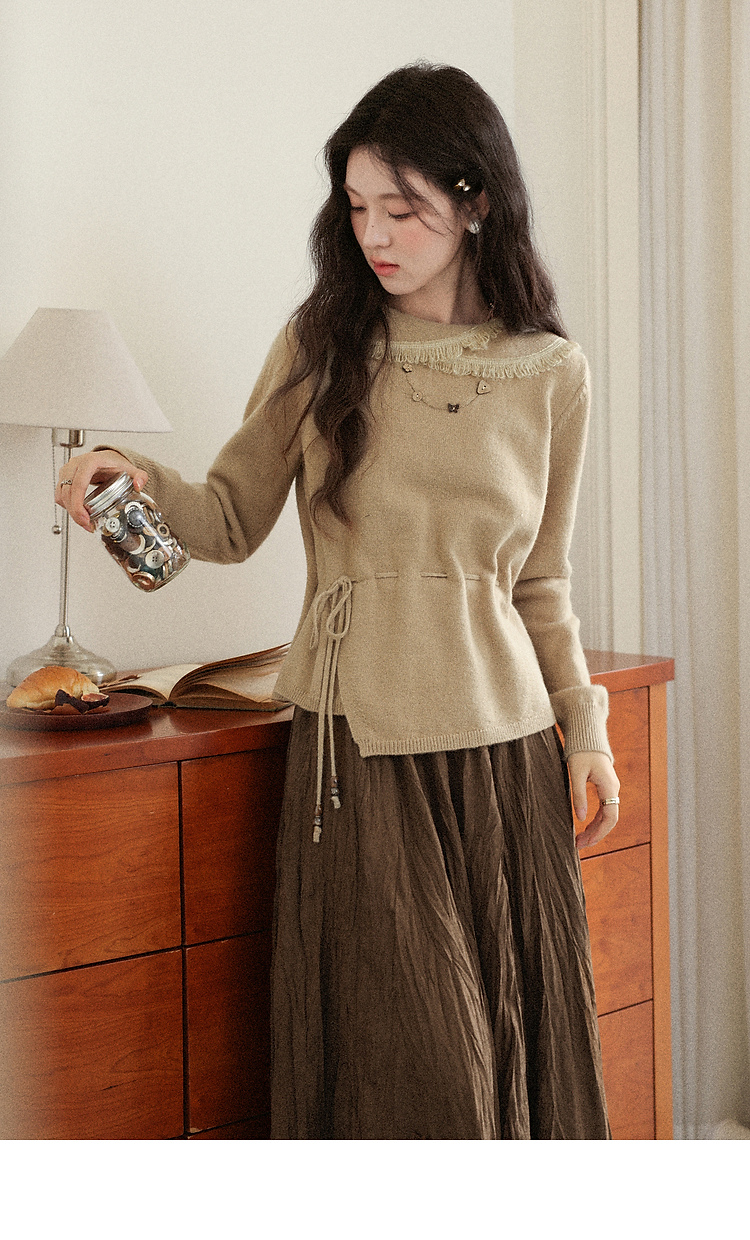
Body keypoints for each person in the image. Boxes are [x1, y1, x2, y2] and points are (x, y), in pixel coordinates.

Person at [56, 63, 620, 1140]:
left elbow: (540, 581)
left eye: (401, 208)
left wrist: (584, 732)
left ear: (476, 201)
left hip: (504, 752)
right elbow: (227, 517)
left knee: (513, 1056)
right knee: (415, 1070)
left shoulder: (551, 371)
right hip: (359, 748)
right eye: (358, 207)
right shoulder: (323, 347)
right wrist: (130, 476)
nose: (374, 235)